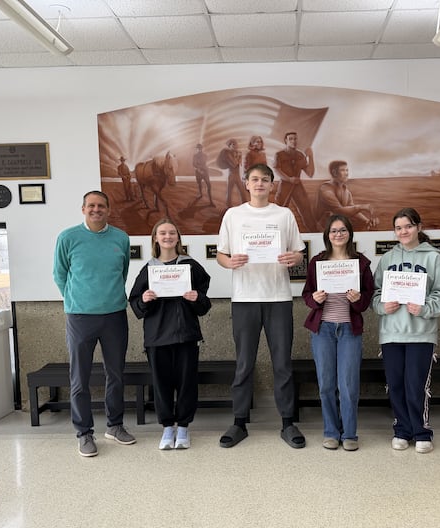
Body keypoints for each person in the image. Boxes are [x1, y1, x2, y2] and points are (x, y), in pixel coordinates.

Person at [216, 163, 306, 449]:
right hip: (244, 298)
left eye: (264, 180)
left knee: (282, 364)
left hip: (278, 297)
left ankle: (288, 423)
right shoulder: (233, 215)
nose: (259, 184)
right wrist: (228, 262)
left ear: (272, 184)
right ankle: (239, 421)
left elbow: (299, 252)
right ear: (246, 183)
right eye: (254, 179)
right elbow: (221, 254)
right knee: (244, 364)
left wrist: (295, 259)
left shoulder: (284, 214)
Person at [53, 190, 135, 457]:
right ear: (83, 209)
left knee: (116, 375)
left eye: (101, 206)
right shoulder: (68, 238)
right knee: (80, 378)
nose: (96, 210)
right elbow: (60, 274)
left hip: (114, 315)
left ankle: (115, 426)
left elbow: (121, 274)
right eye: (91, 205)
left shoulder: (121, 238)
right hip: (79, 317)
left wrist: (107, 297)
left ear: (108, 210)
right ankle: (84, 433)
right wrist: (77, 300)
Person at [372, 208, 440, 454]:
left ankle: (421, 431)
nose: (403, 231)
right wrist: (383, 307)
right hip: (392, 333)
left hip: (421, 333)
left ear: (418, 226)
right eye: (398, 228)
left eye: (408, 226)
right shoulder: (387, 259)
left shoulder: (433, 257)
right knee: (395, 384)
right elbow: (375, 295)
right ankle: (401, 430)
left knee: (416, 385)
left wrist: (426, 308)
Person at [128, 219, 211, 450]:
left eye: (172, 233)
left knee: (187, 383)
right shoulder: (149, 269)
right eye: (162, 233)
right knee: (161, 384)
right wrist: (144, 300)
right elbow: (134, 301)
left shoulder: (191, 266)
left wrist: (197, 299)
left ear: (178, 237)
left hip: (186, 335)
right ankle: (167, 428)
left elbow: (204, 303)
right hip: (157, 336)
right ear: (155, 237)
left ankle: (183, 427)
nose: (167, 237)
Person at [302, 214, 374, 451]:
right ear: (327, 235)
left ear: (350, 234)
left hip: (349, 331)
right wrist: (314, 299)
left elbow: (366, 302)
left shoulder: (361, 263)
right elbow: (306, 295)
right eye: (333, 231)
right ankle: (331, 432)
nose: (338, 234)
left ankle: (350, 434)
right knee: (326, 384)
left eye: (343, 230)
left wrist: (358, 299)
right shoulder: (317, 262)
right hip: (323, 330)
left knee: (348, 385)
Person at [315, 161, 379, 231]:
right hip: (325, 230)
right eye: (343, 170)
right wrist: (361, 207)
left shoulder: (346, 191)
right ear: (334, 173)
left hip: (338, 228)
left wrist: (366, 221)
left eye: (347, 170)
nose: (346, 173)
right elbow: (338, 211)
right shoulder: (325, 189)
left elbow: (352, 211)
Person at [274, 131, 316, 231]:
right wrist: (289, 179)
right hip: (285, 186)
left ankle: (313, 232)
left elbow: (310, 173)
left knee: (306, 210)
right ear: (286, 141)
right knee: (280, 210)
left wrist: (310, 157)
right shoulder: (279, 155)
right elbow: (277, 169)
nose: (293, 141)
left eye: (295, 139)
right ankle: (277, 232)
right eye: (290, 139)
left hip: (297, 186)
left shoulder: (300, 155)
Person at [217, 138, 245, 207]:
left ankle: (244, 204)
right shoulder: (227, 154)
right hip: (232, 175)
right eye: (233, 144)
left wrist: (239, 157)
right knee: (229, 192)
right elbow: (234, 164)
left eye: (235, 144)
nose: (235, 146)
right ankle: (228, 205)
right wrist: (238, 157)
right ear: (229, 146)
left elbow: (240, 164)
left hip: (237, 175)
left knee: (242, 191)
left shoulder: (237, 152)